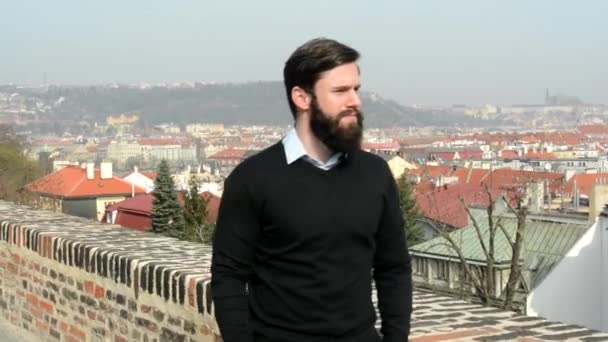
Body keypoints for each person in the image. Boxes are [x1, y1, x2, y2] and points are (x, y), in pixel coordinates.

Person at [211, 37, 412, 342]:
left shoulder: (374, 174)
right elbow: (229, 278)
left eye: (356, 89)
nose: (355, 101)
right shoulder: (253, 179)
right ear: (302, 98)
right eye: (340, 91)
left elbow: (394, 267)